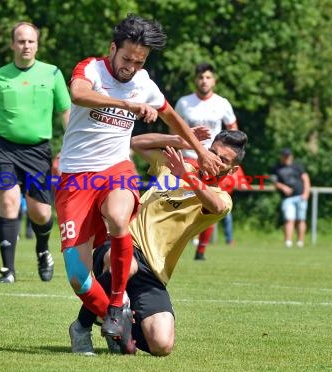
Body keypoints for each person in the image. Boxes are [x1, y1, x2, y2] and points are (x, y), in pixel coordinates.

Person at [56, 14, 223, 344]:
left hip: (116, 168)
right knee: (78, 278)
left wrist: (200, 153)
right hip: (76, 178)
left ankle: (117, 305)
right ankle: (102, 323)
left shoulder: (144, 83)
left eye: (139, 61)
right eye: (126, 58)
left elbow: (172, 117)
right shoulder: (91, 69)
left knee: (119, 218)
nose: (130, 66)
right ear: (113, 48)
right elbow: (77, 94)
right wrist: (127, 105)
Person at [68, 129, 248, 356]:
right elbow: (135, 143)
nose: (214, 160)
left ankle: (121, 327)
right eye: (211, 152)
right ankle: (81, 327)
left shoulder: (221, 197)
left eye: (223, 160)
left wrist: (187, 176)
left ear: (231, 170)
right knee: (127, 265)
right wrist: (177, 139)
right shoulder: (173, 165)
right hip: (122, 244)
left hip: (154, 271)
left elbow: (216, 207)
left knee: (162, 345)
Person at [0, 21, 71, 283]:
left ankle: (42, 249)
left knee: (40, 213)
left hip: (38, 151)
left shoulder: (52, 74)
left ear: (37, 44)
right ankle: (8, 270)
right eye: (20, 41)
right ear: (12, 45)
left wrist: (69, 150)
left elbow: (67, 114)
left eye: (30, 41)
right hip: (4, 149)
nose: (25, 45)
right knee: (8, 201)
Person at [174, 62, 239, 260]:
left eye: (208, 77)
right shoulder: (184, 102)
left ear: (214, 80)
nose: (204, 81)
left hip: (214, 164)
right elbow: (174, 130)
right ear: (196, 80)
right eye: (201, 77)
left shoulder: (222, 103)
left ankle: (201, 250)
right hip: (189, 158)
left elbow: (234, 131)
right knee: (180, 203)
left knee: (210, 207)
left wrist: (231, 161)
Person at [270, 148, 311, 248]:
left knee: (301, 219)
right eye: (285, 156)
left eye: (288, 156)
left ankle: (300, 242)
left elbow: (306, 179)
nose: (287, 158)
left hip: (300, 196)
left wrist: (306, 193)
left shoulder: (298, 166)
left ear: (291, 156)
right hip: (287, 198)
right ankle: (288, 242)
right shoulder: (277, 168)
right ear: (282, 157)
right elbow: (275, 182)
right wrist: (283, 187)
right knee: (289, 219)